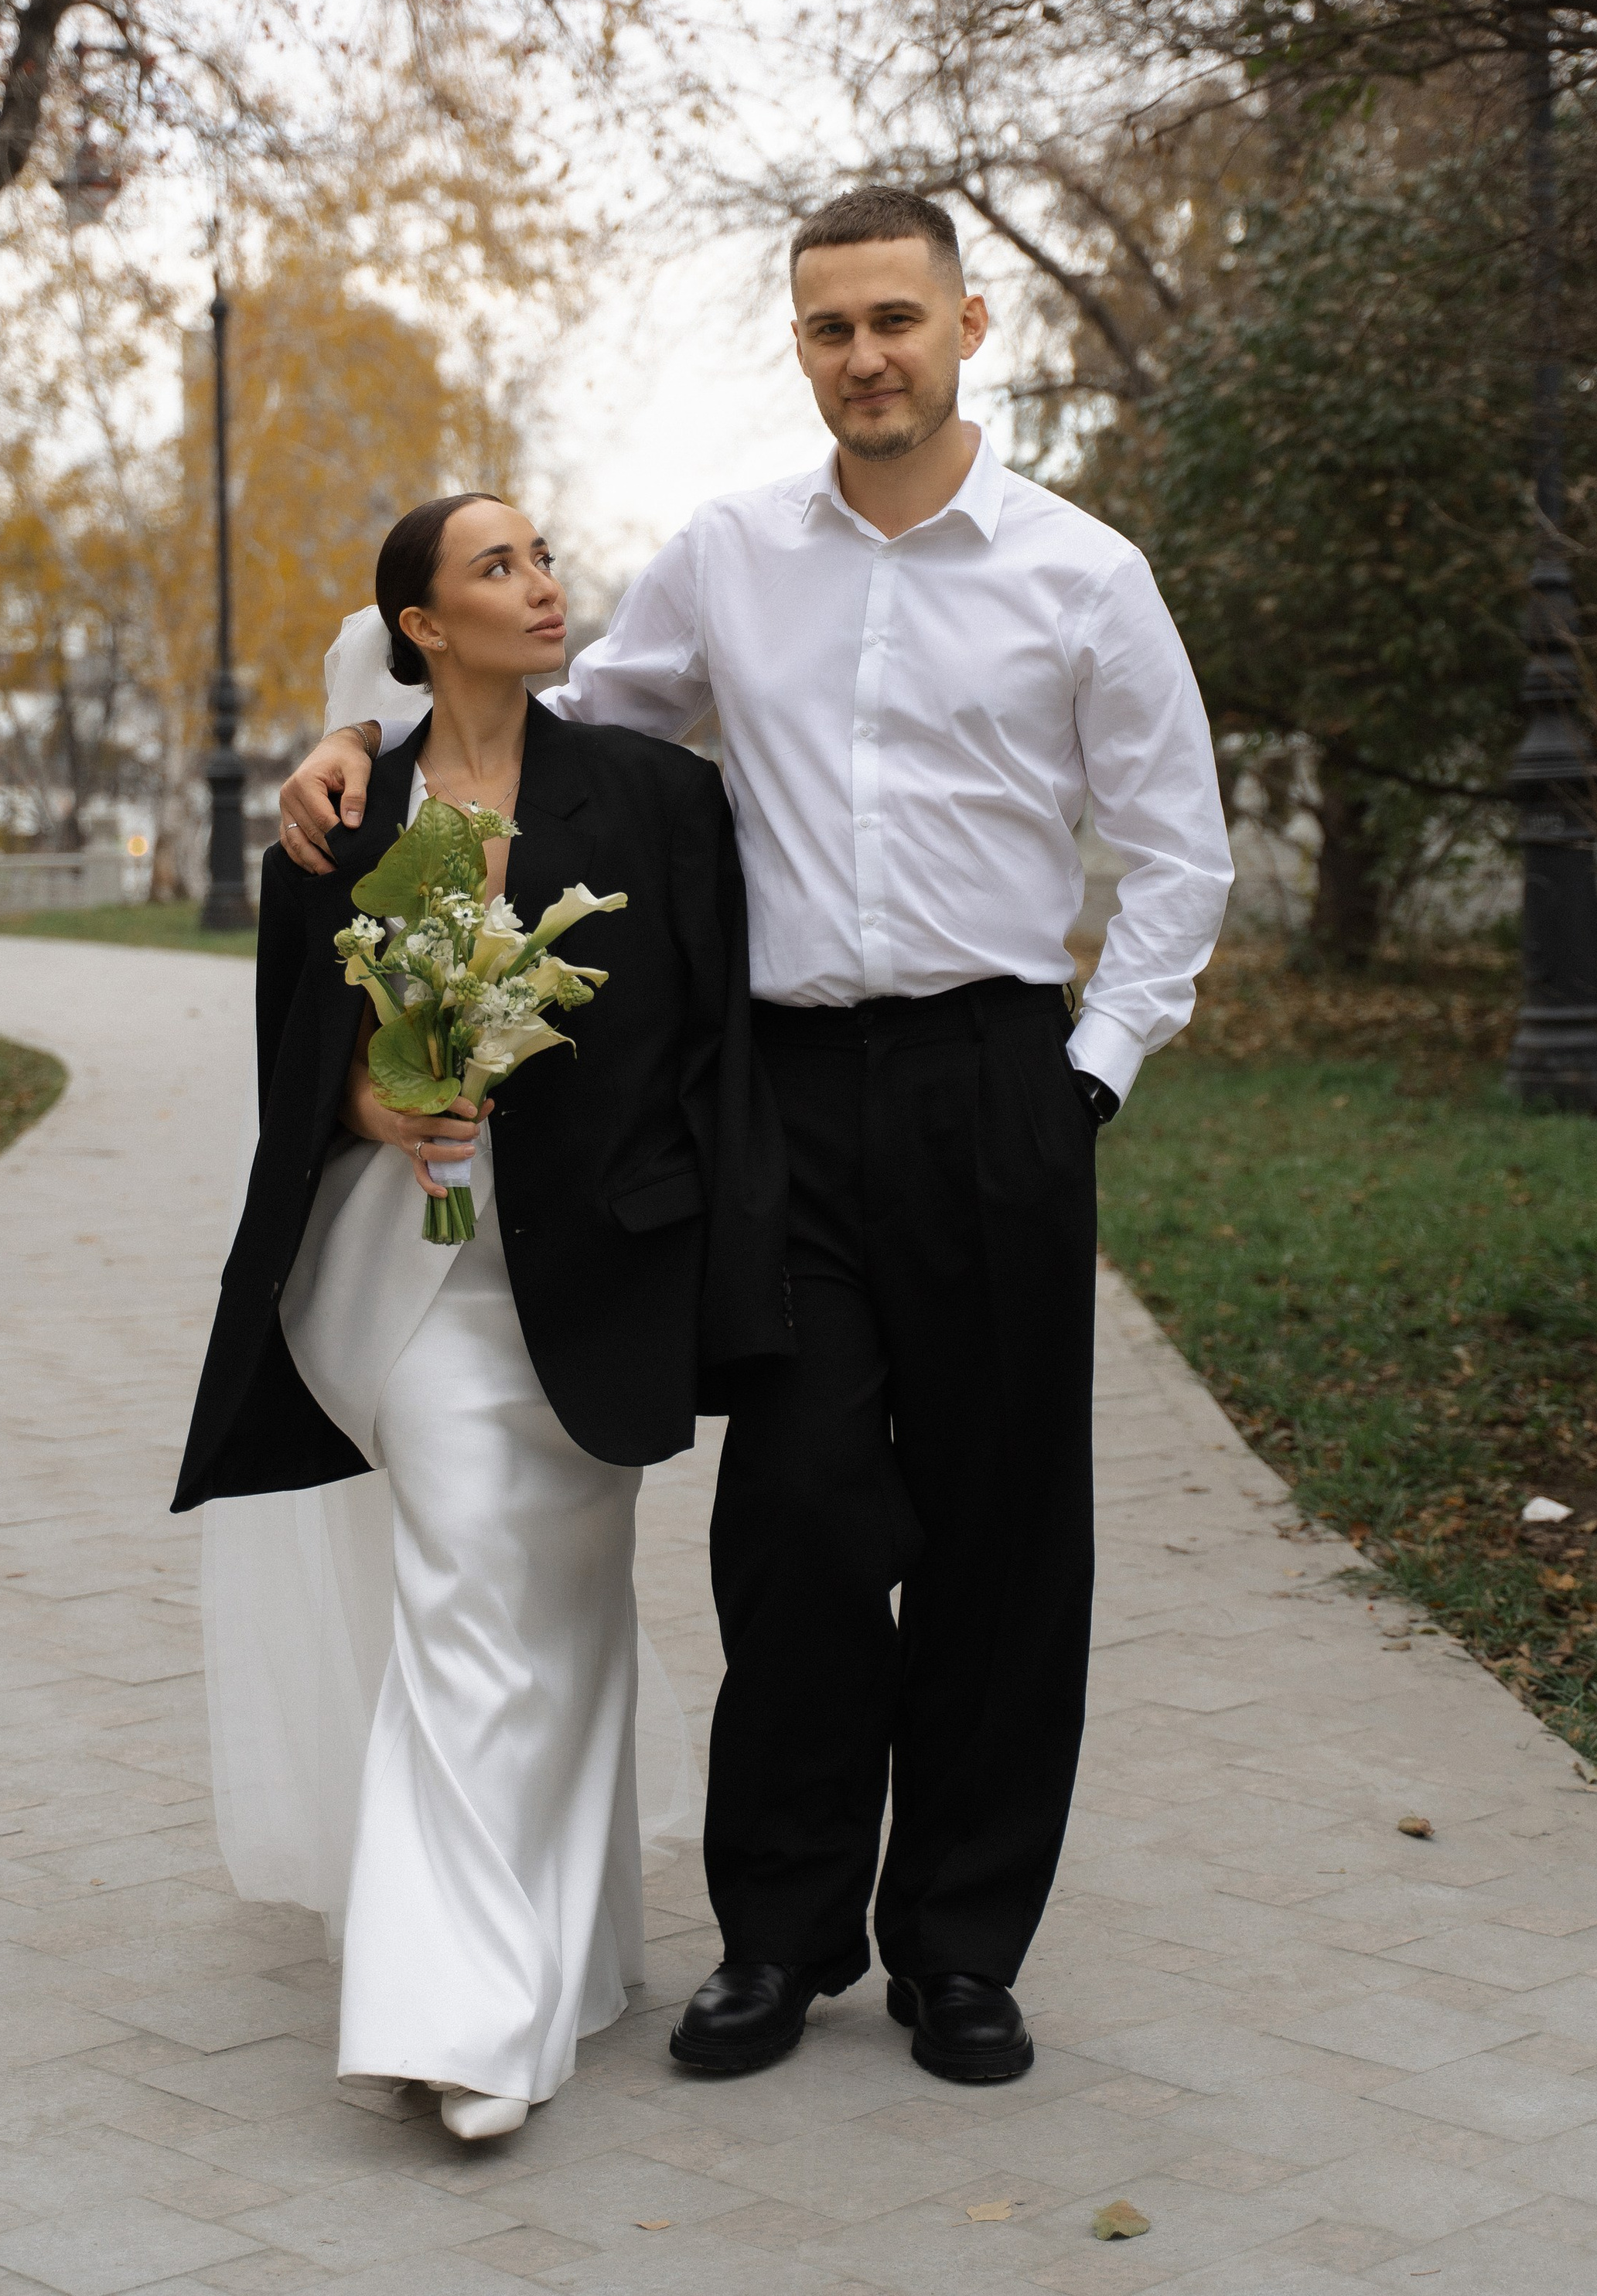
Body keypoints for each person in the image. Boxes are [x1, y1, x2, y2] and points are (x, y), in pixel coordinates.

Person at [275, 188, 1233, 2089]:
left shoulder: (1081, 574)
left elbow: (1175, 852)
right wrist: (358, 745)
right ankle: (776, 1940)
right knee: (791, 1520)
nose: (862, 354)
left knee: (998, 1528)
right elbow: (548, 730)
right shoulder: (728, 555)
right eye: (826, 327)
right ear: (797, 349)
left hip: (994, 1090)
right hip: (781, 1107)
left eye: (893, 317)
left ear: (971, 327)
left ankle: (958, 1946)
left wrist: (1088, 1069)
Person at [174, 493, 787, 2139]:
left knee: (570, 1616)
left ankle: (572, 1962)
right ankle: (453, 2022)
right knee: (465, 1608)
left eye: (541, 558)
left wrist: (730, 1280)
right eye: (496, 567)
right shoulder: (342, 814)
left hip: (606, 1274)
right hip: (412, 1279)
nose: (542, 584)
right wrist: (373, 1106)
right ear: (420, 628)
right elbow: (293, 1049)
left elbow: (712, 1046)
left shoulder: (660, 797)